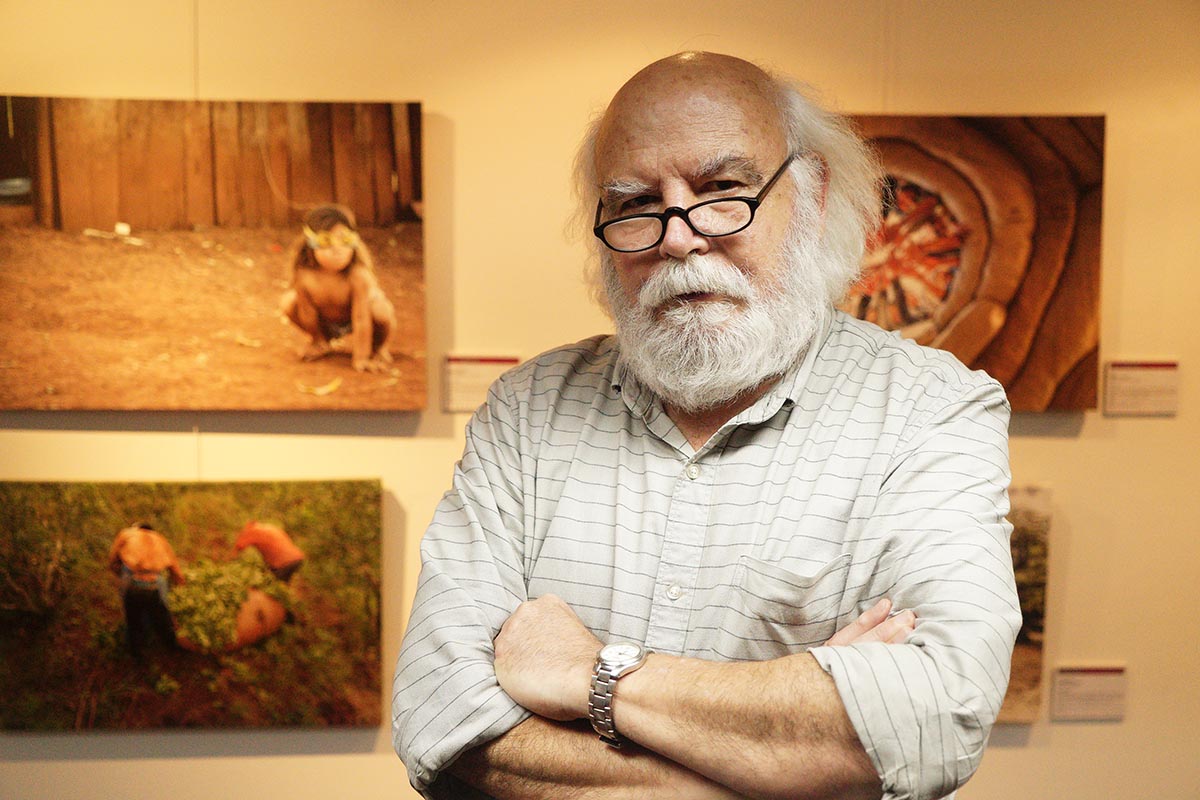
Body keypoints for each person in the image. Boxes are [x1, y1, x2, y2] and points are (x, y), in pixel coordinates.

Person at [392, 51, 1021, 800]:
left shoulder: (932, 410)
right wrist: (789, 759)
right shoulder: (527, 411)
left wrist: (585, 673)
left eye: (724, 191)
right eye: (635, 203)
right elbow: (441, 720)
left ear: (813, 196)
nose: (678, 237)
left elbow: (933, 717)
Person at [280, 203, 397, 373]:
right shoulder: (303, 275)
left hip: (360, 319)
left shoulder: (358, 275)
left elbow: (361, 317)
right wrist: (317, 336)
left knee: (381, 310)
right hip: (327, 322)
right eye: (326, 241)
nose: (337, 249)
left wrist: (361, 357)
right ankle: (320, 342)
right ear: (310, 245)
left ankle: (378, 348)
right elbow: (306, 311)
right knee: (288, 302)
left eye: (345, 240)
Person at [107, 523, 185, 657]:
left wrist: (120, 574)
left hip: (133, 582)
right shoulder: (160, 538)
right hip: (155, 583)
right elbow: (176, 571)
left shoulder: (127, 533)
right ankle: (171, 647)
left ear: (137, 528)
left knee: (132, 620)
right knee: (163, 618)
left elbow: (113, 560)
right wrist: (181, 588)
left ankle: (136, 653)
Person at [234, 520, 305, 581]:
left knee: (272, 584)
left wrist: (229, 561)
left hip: (284, 563)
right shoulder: (270, 528)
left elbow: (238, 547)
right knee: (281, 585)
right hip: (297, 558)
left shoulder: (253, 531)